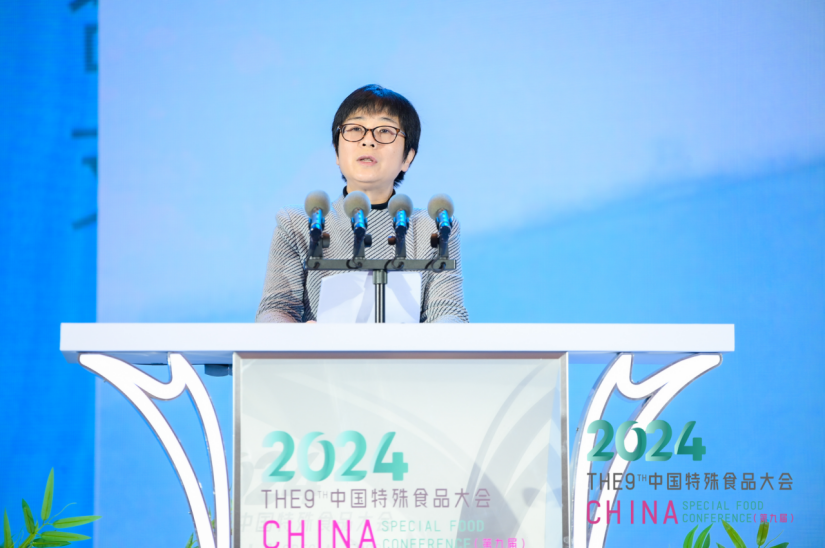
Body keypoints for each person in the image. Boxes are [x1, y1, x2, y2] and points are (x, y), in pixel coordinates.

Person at [255, 84, 468, 323]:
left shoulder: (434, 228)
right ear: (337, 151)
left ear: (407, 157)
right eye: (356, 129)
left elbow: (448, 311)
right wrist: (301, 335)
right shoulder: (299, 225)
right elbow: (275, 309)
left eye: (385, 131)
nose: (368, 141)